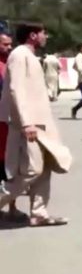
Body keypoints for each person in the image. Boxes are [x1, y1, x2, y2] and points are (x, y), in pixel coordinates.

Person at [0, 22, 72, 227]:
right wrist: (26, 123)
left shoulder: (29, 56)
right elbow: (16, 90)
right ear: (32, 35)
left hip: (40, 124)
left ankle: (39, 213)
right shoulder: (19, 55)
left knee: (46, 166)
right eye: (43, 33)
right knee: (30, 171)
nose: (45, 37)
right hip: (27, 125)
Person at [0, 31, 23, 221]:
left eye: (10, 44)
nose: (8, 47)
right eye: (4, 44)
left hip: (10, 123)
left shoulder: (11, 64)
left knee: (11, 167)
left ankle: (12, 208)